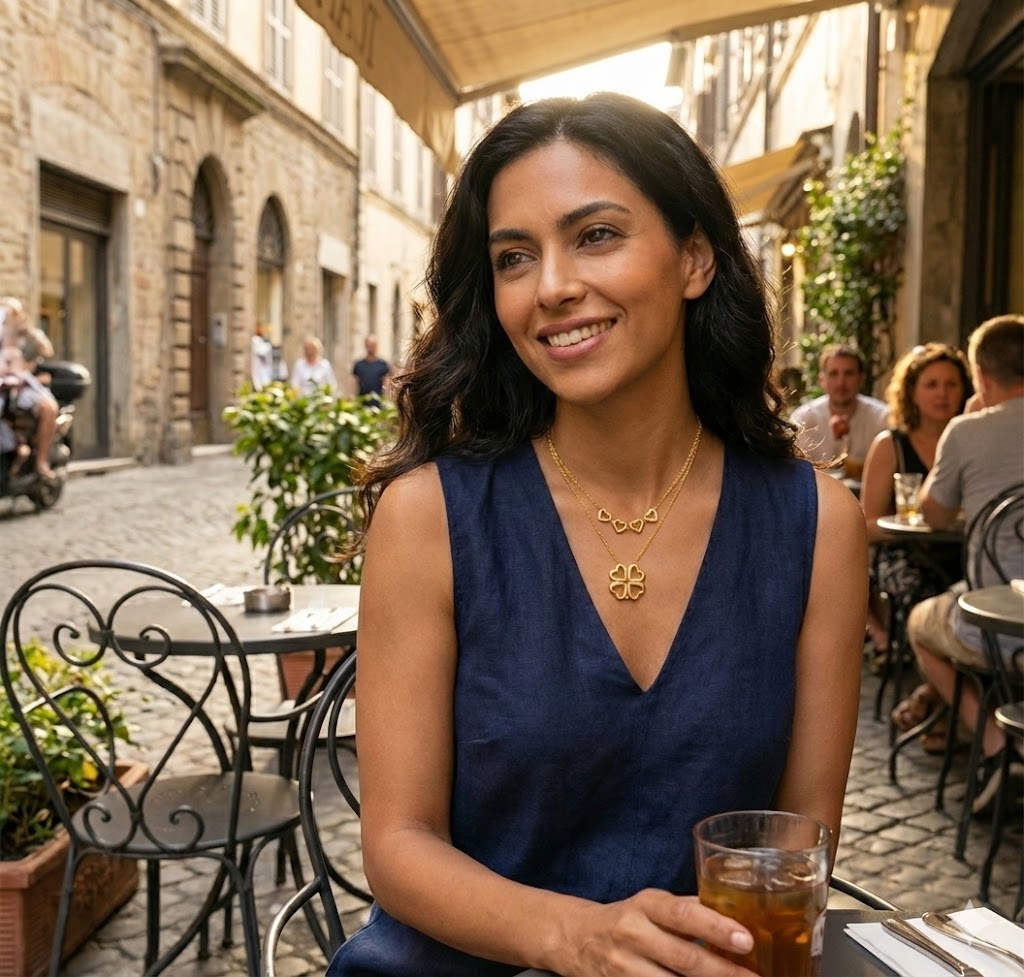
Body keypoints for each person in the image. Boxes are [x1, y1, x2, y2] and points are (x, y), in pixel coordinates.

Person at [328, 93, 867, 977]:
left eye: (596, 235)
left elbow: (797, 845)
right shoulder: (429, 516)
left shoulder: (818, 526)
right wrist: (577, 938)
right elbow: (397, 843)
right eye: (513, 257)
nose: (551, 286)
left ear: (694, 257)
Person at [907, 314, 1024, 814]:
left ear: (980, 375)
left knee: (920, 624)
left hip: (997, 631)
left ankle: (999, 746)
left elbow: (933, 515)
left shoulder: (966, 430)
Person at [859, 343, 972, 749]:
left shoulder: (970, 440)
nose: (942, 393)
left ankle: (929, 697)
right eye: (932, 384)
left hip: (960, 553)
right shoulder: (891, 444)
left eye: (951, 384)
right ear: (912, 391)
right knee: (927, 595)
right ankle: (943, 712)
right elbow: (865, 525)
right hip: (904, 554)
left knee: (975, 599)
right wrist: (913, 524)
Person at [790, 343, 890, 472]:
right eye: (833, 374)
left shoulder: (882, 419)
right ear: (822, 380)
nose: (841, 383)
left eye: (849, 374)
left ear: (861, 379)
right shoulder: (803, 420)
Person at [0, 296, 58, 479]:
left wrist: (28, 332)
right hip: (3, 385)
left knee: (48, 408)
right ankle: (16, 449)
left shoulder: (28, 335)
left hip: (25, 384)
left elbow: (46, 350)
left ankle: (42, 462)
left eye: (11, 312)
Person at [352, 334, 391, 400]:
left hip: (378, 401)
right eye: (368, 345)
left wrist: (386, 398)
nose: (370, 347)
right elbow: (354, 383)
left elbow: (387, 383)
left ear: (376, 346)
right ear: (365, 345)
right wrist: (353, 397)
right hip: (362, 400)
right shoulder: (359, 364)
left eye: (372, 345)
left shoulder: (383, 364)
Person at [251, 323, 273, 390]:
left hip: (265, 369)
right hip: (257, 368)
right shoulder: (255, 340)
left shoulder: (264, 341)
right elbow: (261, 351)